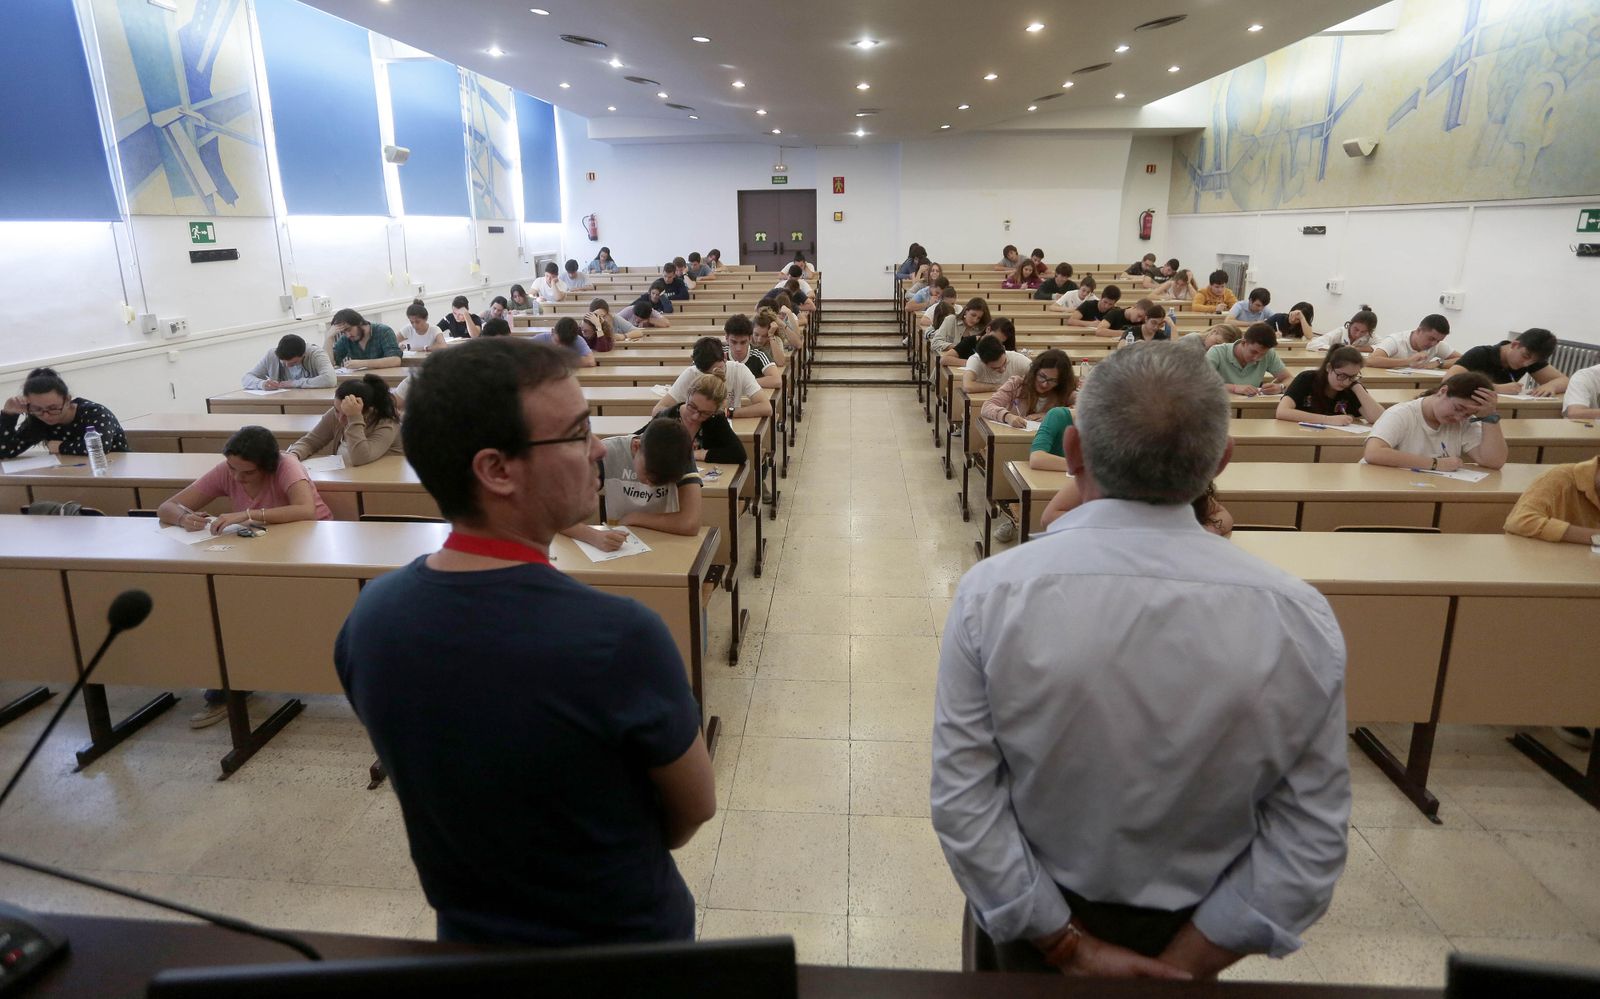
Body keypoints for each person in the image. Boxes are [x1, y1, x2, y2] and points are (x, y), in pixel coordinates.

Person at [935, 343, 1348, 979]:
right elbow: (1310, 835)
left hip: (1035, 924)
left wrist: (1071, 948)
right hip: (1198, 926)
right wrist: (1186, 966)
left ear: (1073, 452)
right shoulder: (1298, 613)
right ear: (1222, 462)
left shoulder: (994, 593)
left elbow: (966, 800)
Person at [334, 337, 714, 946]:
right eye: (576, 433)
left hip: (471, 939)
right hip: (624, 946)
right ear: (496, 469)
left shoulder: (370, 621)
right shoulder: (619, 637)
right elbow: (692, 808)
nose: (596, 449)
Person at [160, 425, 332, 728]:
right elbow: (167, 507)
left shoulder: (287, 466)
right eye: (232, 469)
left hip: (309, 550)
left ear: (267, 466)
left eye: (247, 473)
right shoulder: (231, 468)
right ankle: (234, 680)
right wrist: (185, 517)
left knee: (241, 606)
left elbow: (306, 510)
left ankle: (237, 680)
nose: (237, 478)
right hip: (259, 551)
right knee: (218, 601)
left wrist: (249, 514)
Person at [1363, 372, 1506, 470]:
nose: (1458, 418)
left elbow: (1493, 462)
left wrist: (1490, 416)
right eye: (1457, 408)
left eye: (1469, 414)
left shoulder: (1465, 421)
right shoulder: (1401, 414)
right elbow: (1373, 453)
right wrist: (1435, 464)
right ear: (1443, 391)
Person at [597, 418, 703, 536]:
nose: (651, 485)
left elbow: (690, 523)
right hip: (621, 538)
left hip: (663, 536)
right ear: (636, 447)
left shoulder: (680, 454)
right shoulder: (607, 452)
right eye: (648, 475)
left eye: (662, 481)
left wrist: (635, 518)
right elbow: (572, 512)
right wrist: (596, 536)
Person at [1038, 477, 1234, 538]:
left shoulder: (1179, 476)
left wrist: (1206, 531)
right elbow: (1049, 517)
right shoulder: (1101, 472)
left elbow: (1222, 515)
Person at [0, 367, 129, 459]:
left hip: (115, 470)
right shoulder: (38, 420)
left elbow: (99, 447)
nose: (46, 415)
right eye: (37, 409)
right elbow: (5, 452)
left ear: (67, 399)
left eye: (53, 408)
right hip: (74, 473)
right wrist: (8, 416)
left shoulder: (95, 413)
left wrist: (61, 447)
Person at [288, 374, 404, 467]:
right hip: (347, 476)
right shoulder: (338, 412)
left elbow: (361, 458)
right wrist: (293, 455)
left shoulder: (387, 424)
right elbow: (311, 442)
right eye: (337, 410)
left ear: (369, 411)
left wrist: (354, 417)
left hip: (379, 482)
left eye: (346, 414)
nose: (340, 418)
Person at [654, 336, 769, 419]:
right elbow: (657, 410)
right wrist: (688, 411)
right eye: (706, 375)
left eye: (717, 369)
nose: (713, 378)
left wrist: (729, 413)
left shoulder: (739, 370)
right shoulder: (691, 374)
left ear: (724, 357)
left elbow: (766, 407)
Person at [1275, 347, 1384, 426]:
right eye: (1342, 375)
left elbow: (1378, 419)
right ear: (1329, 368)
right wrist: (1327, 419)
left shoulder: (1351, 387)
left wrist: (1356, 385)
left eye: (1353, 376)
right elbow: (1282, 411)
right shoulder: (1306, 379)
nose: (1346, 382)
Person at [1447, 328, 1569, 396]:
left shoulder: (1530, 359)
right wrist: (1495, 388)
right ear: (1515, 345)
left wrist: (1550, 385)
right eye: (1525, 356)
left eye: (1533, 362)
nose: (1526, 364)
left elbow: (1564, 381)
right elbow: (1449, 380)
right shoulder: (1480, 354)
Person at [655, 373, 747, 464]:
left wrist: (698, 454)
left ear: (715, 411)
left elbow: (739, 454)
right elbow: (645, 444)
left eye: (705, 413)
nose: (695, 416)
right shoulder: (668, 416)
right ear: (688, 395)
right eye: (692, 406)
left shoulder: (715, 418)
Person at [982, 349, 1075, 429]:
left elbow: (1082, 409)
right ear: (1035, 371)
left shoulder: (1065, 391)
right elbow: (987, 406)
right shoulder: (1016, 384)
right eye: (1042, 376)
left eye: (1052, 380)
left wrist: (1051, 416)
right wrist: (1007, 416)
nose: (1044, 384)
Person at [1205, 322, 1290, 396]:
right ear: (1243, 342)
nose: (1257, 358)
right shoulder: (1216, 352)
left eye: (1262, 354)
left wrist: (1280, 387)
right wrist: (1234, 388)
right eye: (1253, 352)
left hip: (1251, 405)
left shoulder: (1269, 353)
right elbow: (1199, 382)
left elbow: (1289, 378)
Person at [243, 333, 337, 390]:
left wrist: (294, 383)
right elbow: (247, 378)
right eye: (284, 362)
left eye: (293, 363)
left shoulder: (316, 353)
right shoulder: (272, 355)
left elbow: (330, 379)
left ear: (303, 354)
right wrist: (262, 384)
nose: (287, 366)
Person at [1366, 314, 1460, 370]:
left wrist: (1439, 363)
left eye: (1439, 340)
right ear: (1419, 330)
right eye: (1431, 339)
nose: (1433, 344)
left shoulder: (1437, 345)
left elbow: (1462, 359)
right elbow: (1371, 360)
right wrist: (1408, 361)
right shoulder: (1395, 340)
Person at [329, 308, 402, 370]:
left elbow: (395, 360)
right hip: (361, 382)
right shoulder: (345, 339)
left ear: (360, 323)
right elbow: (329, 364)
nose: (348, 335)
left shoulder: (384, 331)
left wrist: (363, 363)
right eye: (343, 332)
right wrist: (328, 338)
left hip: (384, 381)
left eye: (349, 329)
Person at [963, 331, 1033, 395]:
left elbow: (1038, 375)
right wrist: (999, 387)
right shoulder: (975, 360)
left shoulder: (1017, 358)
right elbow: (968, 386)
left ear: (1004, 349)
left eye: (1005, 363)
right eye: (995, 368)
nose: (1002, 369)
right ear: (983, 362)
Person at [930, 298, 991, 367]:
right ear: (966, 311)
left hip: (971, 367)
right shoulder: (951, 320)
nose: (975, 320)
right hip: (949, 365)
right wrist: (959, 348)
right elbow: (935, 343)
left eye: (979, 318)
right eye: (973, 315)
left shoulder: (981, 329)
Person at [724, 314, 779, 389]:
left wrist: (742, 382)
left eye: (743, 342)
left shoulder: (759, 353)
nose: (738, 348)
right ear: (726, 338)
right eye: (734, 342)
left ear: (750, 338)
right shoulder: (719, 353)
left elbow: (777, 380)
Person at [530, 317, 598, 367]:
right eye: (557, 341)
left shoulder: (578, 340)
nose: (560, 347)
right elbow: (522, 354)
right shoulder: (540, 339)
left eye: (566, 344)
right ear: (553, 332)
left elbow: (591, 361)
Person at [1307, 307, 1377, 353]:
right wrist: (1340, 349)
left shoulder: (1369, 335)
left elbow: (1383, 347)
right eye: (1356, 329)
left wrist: (1357, 349)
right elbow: (1312, 344)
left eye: (1363, 332)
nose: (1358, 334)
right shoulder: (1340, 332)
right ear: (1350, 324)